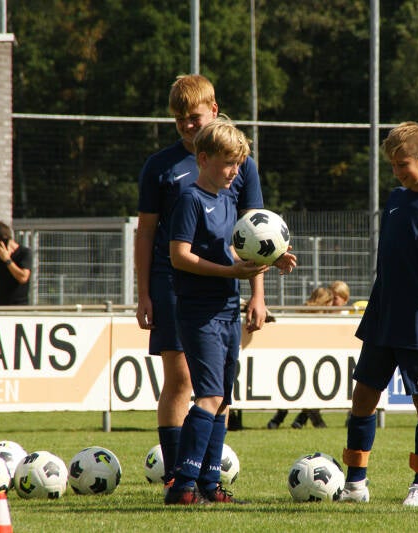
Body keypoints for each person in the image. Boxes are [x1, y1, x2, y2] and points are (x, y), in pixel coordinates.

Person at [136, 75, 291, 485]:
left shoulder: (239, 161)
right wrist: (143, 294)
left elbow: (258, 234)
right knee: (182, 377)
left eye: (195, 116)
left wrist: (257, 295)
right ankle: (176, 473)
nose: (188, 125)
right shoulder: (160, 167)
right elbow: (147, 233)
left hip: (225, 287)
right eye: (179, 119)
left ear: (214, 110)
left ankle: (204, 476)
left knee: (217, 384)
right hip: (173, 281)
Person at [164, 117, 295, 505]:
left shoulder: (227, 200)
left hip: (226, 308)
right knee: (207, 395)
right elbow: (179, 256)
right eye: (227, 163)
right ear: (203, 159)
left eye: (238, 164)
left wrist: (273, 257)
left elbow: (237, 252)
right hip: (199, 311)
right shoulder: (190, 198)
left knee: (223, 400)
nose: (234, 172)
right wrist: (229, 271)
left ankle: (208, 484)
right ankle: (182, 485)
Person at [339, 122, 418, 507]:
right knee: (363, 396)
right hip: (382, 316)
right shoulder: (396, 199)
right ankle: (355, 483)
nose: (398, 172)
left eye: (403, 164)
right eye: (393, 166)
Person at [267, 286, 333, 429]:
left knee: (294, 391)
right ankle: (309, 421)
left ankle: (282, 420)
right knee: (307, 391)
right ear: (326, 302)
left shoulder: (301, 311)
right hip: (310, 358)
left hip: (296, 356)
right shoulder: (322, 318)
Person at [0, 221, 32, 305]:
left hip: (19, 307)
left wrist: (7, 260)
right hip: (0, 306)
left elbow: (23, 278)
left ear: (3, 241)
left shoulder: (24, 253)